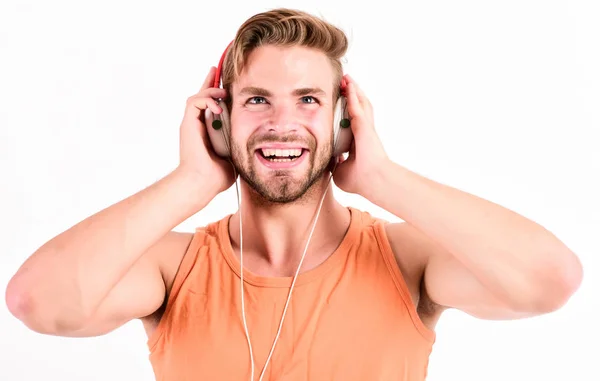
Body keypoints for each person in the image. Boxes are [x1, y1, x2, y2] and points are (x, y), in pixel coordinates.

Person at [5, 7, 583, 381]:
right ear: (220, 119)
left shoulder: (405, 262)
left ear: (341, 121)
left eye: (308, 100)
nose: (283, 123)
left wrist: (381, 178)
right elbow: (39, 303)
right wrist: (192, 182)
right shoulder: (173, 270)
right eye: (257, 100)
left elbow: (549, 281)